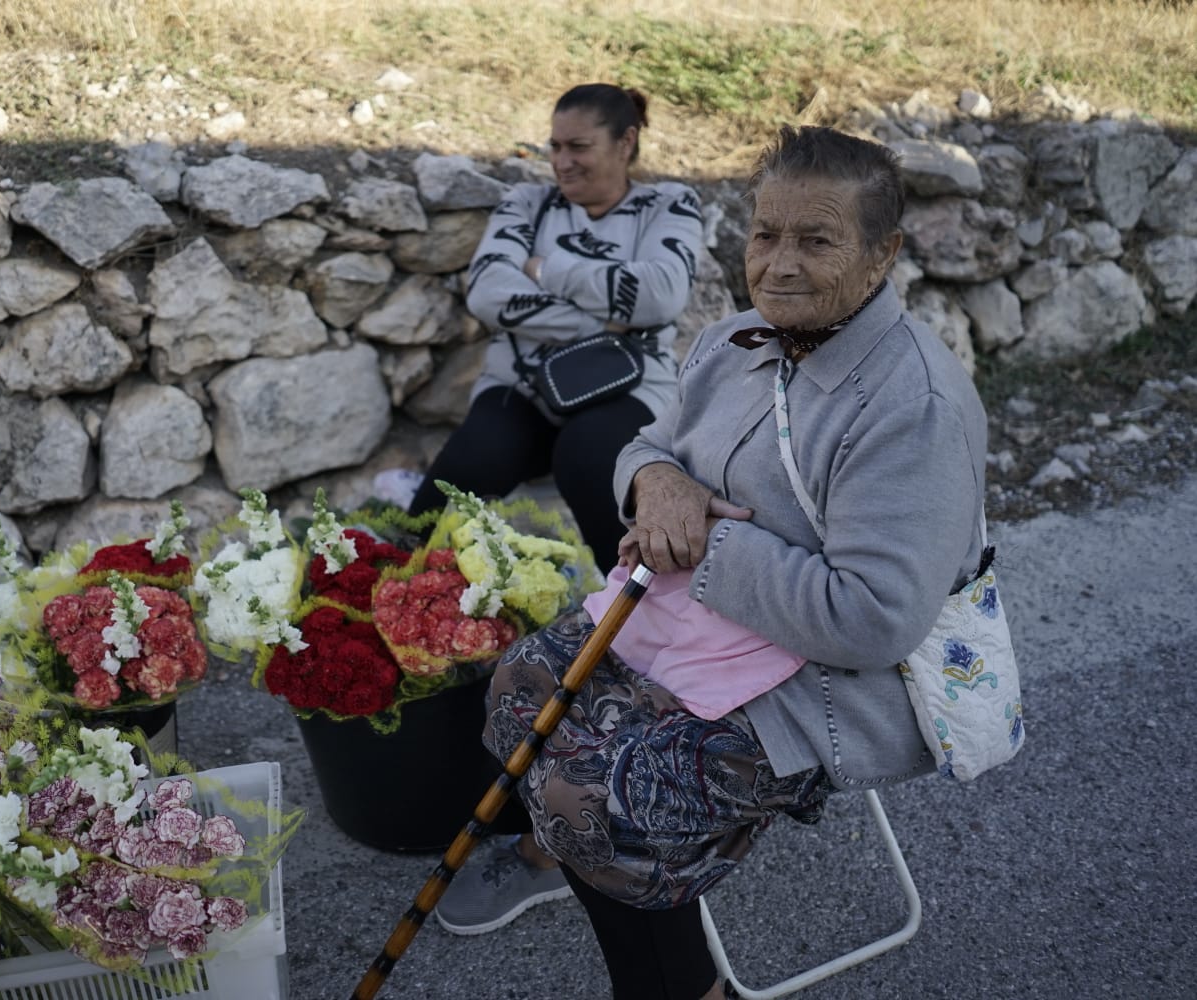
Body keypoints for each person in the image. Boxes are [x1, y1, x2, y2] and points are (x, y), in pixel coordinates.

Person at [436, 126, 989, 1000]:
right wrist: (656, 482)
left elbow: (876, 619)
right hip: (698, 620)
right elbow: (652, 444)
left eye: (817, 240)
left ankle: (685, 981)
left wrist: (711, 541)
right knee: (516, 690)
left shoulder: (910, 405)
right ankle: (558, 848)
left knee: (603, 801)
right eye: (765, 234)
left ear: (883, 256)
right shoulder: (736, 340)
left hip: (829, 677)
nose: (778, 264)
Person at [407, 82, 706, 572]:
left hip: (627, 384)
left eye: (579, 147)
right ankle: (388, 591)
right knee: (467, 468)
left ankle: (631, 618)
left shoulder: (668, 206)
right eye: (556, 146)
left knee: (590, 456)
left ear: (625, 142)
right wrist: (610, 320)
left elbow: (662, 292)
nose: (562, 161)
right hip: (522, 385)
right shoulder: (528, 203)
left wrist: (545, 269)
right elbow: (487, 292)